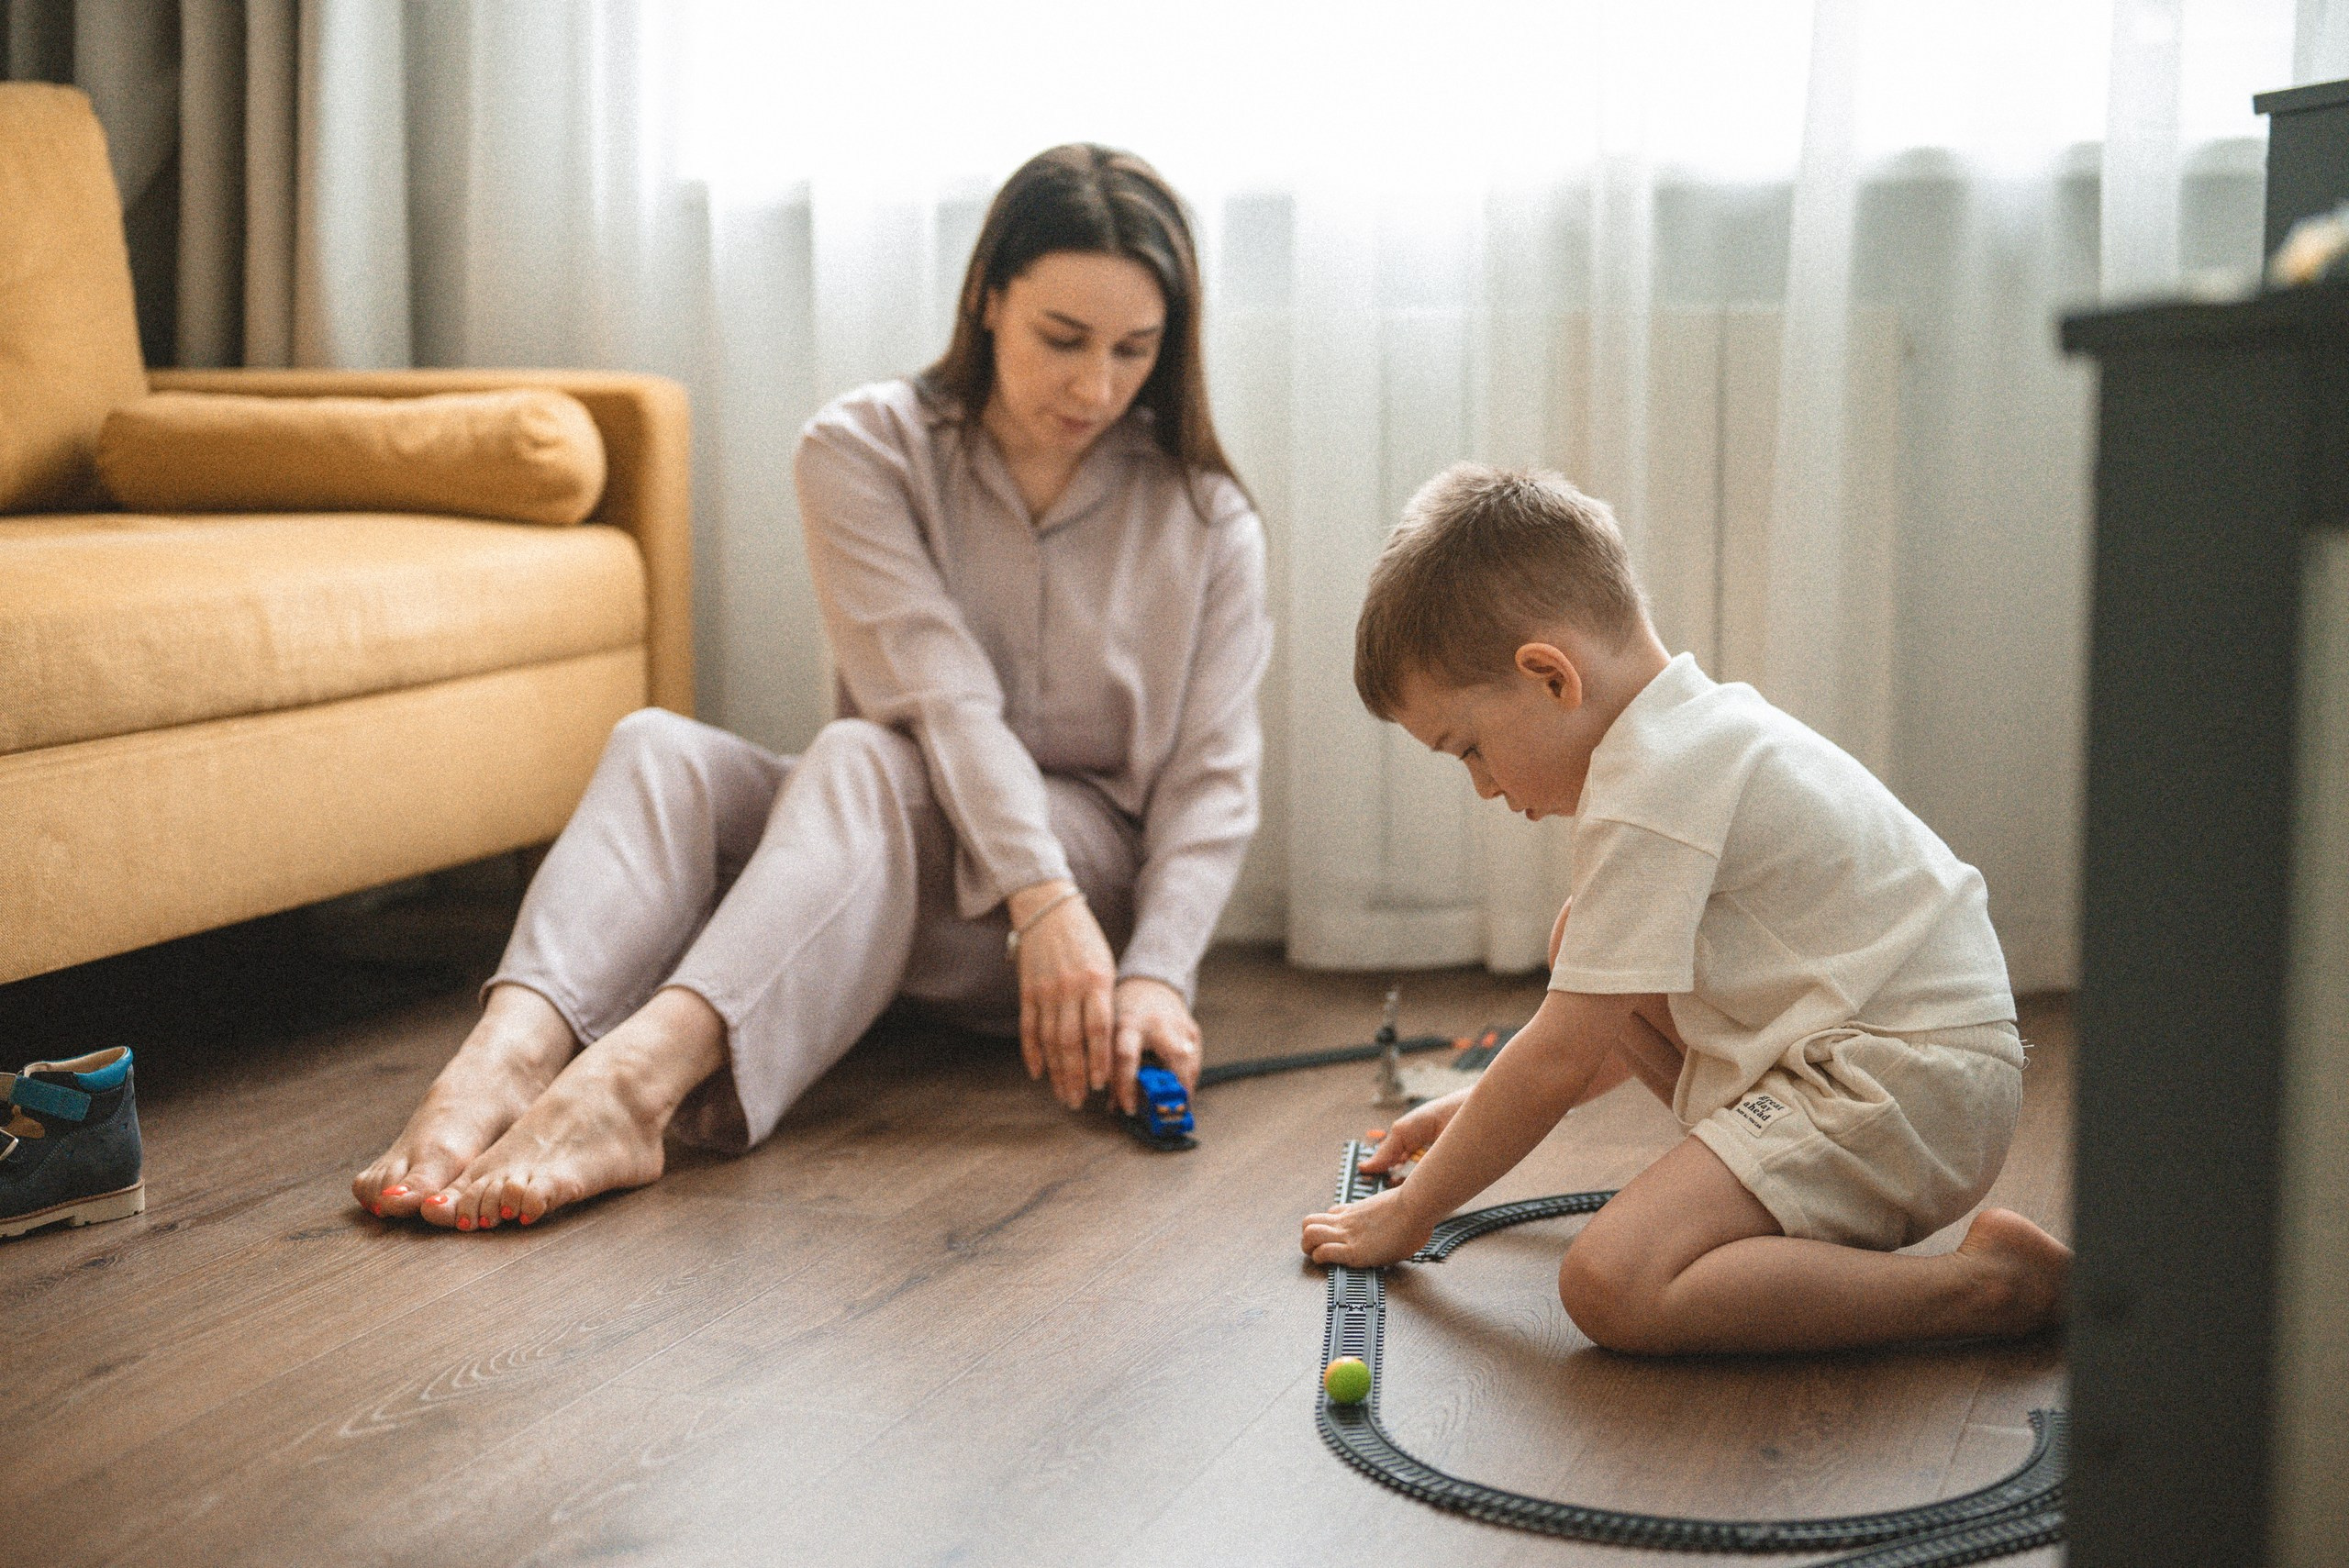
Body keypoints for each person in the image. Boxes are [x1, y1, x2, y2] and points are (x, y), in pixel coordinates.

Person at [353, 144, 1270, 1231]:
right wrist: (1039, 889)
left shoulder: (1208, 518)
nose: (1096, 385)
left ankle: (634, 1086)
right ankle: (501, 1059)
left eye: (1134, 350)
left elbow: (1212, 782)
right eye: (1061, 339)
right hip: (918, 867)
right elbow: (939, 695)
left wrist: (1150, 967)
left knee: (863, 757)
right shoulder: (862, 447)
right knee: (661, 748)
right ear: (985, 298)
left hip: (1069, 917)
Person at [1299, 464, 2070, 1355]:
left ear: (1550, 675)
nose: (1480, 784)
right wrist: (1471, 1109)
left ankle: (1984, 1287)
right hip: (1911, 1072)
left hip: (1895, 1086)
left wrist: (1414, 1208)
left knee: (1613, 1284)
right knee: (1578, 937)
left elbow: (1559, 1055)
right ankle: (1784, 1221)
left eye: (1469, 747)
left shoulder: (1653, 789)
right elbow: (1593, 1027)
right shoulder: (1694, 732)